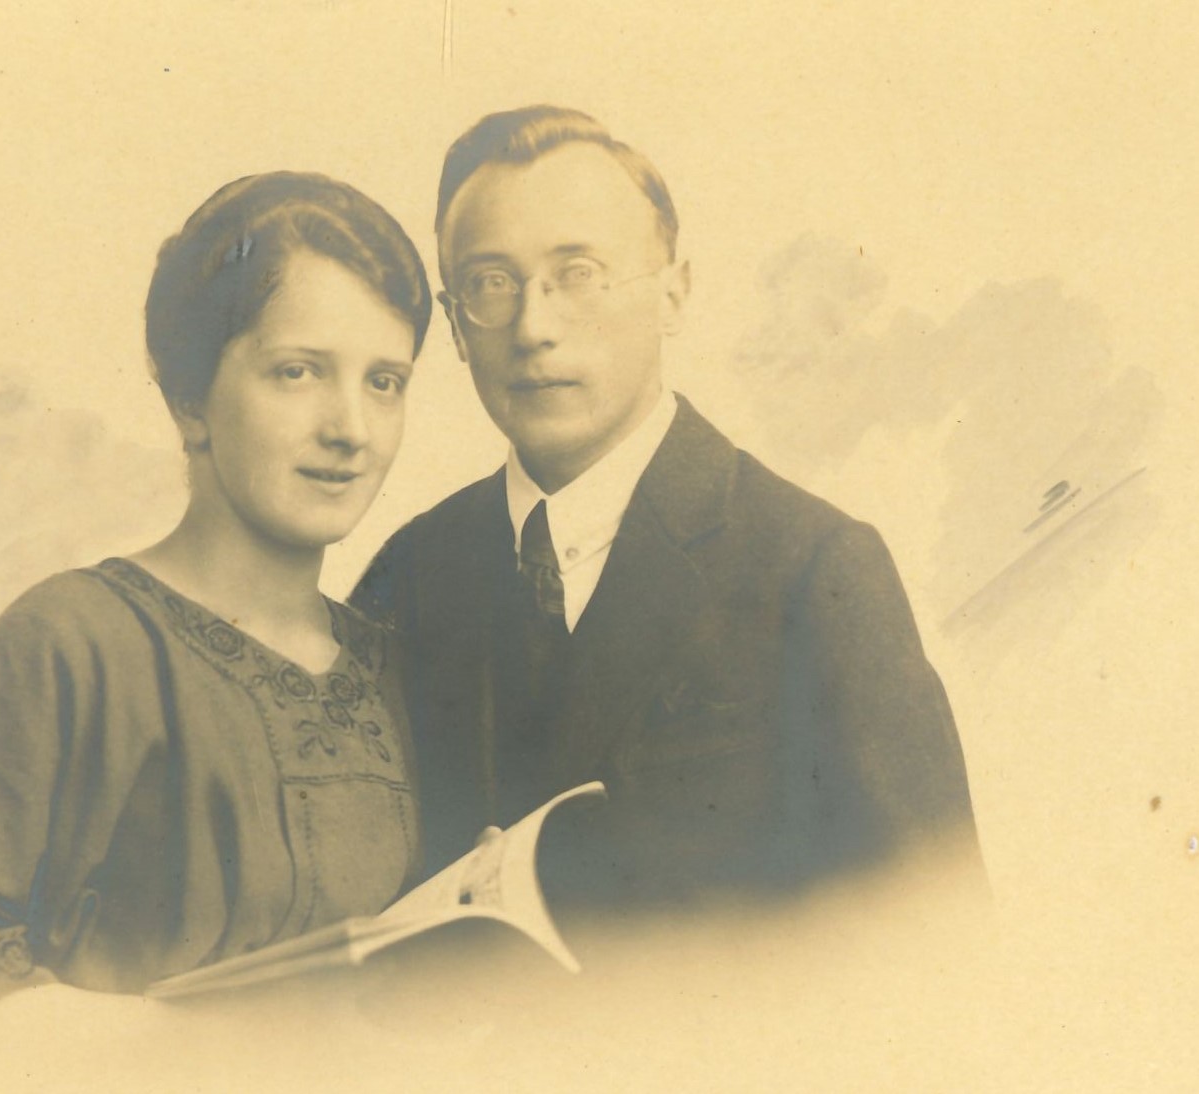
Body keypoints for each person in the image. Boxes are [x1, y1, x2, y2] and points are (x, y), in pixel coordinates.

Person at [351, 106, 983, 910]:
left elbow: (937, 950)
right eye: (491, 284)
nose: (535, 326)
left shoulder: (815, 569)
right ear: (454, 326)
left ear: (674, 295)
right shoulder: (408, 574)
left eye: (577, 273)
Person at [0, 171, 433, 1012]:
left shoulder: (395, 673)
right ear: (190, 396)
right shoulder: (66, 648)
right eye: (298, 371)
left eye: (386, 382)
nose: (350, 428)